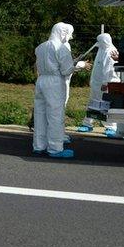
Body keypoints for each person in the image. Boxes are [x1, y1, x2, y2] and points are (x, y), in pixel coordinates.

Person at [33, 23, 88, 158]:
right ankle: (55, 148)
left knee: (40, 115)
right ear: (62, 33)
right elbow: (66, 70)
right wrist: (78, 66)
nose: (69, 37)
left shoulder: (40, 47)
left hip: (41, 81)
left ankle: (39, 146)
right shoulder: (61, 48)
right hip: (55, 82)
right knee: (55, 116)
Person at [77, 33, 119, 134]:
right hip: (97, 83)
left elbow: (109, 70)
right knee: (93, 103)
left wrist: (105, 83)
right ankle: (87, 124)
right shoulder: (102, 49)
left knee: (107, 104)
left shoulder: (111, 51)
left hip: (107, 84)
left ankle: (111, 126)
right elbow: (98, 67)